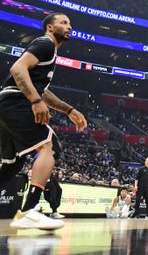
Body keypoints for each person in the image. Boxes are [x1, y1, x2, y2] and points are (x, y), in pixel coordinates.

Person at [0, 13, 87, 230]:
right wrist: (35, 100)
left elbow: (43, 91)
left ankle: (28, 211)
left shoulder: (50, 52)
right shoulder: (45, 43)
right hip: (14, 102)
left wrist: (68, 109)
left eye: (70, 23)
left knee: (12, 164)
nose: (69, 26)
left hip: (6, 104)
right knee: (50, 145)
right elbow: (17, 69)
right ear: (50, 27)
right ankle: (29, 211)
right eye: (63, 23)